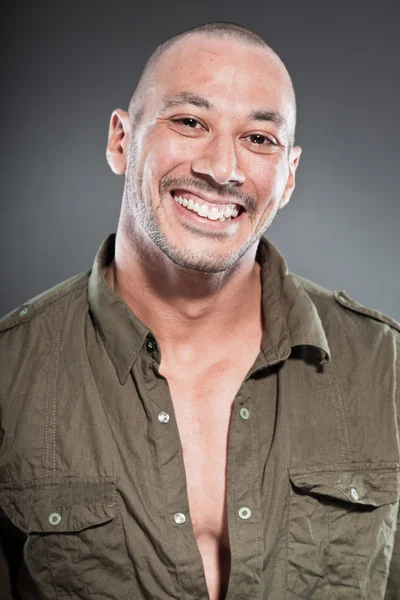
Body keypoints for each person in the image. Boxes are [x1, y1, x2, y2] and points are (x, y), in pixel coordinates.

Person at [0, 21, 399, 600]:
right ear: (120, 140)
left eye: (259, 139)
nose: (221, 168)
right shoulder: (10, 373)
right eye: (190, 122)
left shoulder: (386, 370)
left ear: (288, 175)